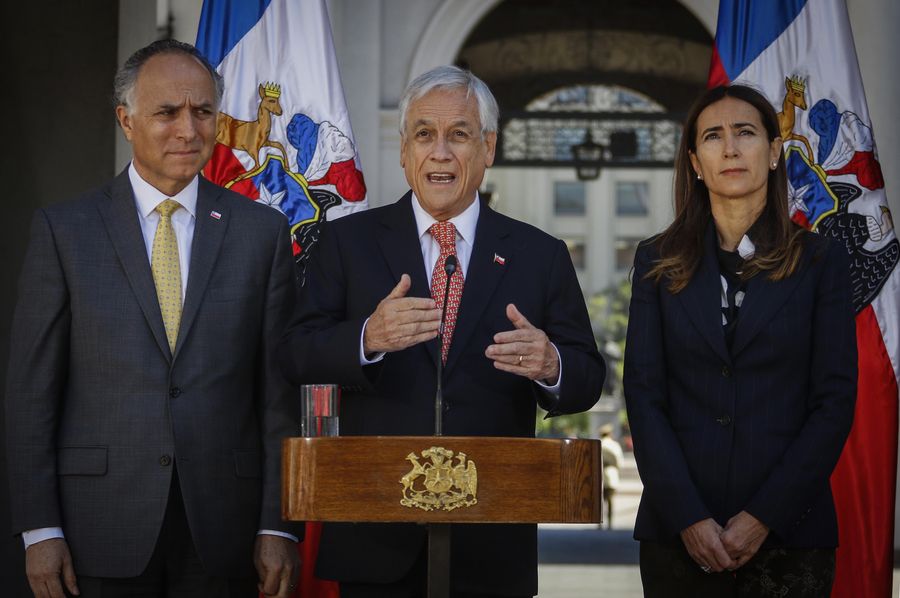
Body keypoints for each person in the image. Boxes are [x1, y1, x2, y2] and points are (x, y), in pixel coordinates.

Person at [278, 65, 605, 598]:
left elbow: (587, 378)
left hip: (491, 538)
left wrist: (552, 366)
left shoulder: (540, 255)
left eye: (459, 134)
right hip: (374, 534)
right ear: (404, 151)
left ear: (488, 148)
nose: (441, 153)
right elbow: (295, 354)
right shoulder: (346, 243)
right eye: (424, 134)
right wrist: (366, 338)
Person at [6, 40, 303, 598]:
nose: (188, 130)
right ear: (127, 120)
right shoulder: (65, 231)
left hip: (226, 528)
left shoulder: (261, 233)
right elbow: (31, 394)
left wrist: (278, 523)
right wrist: (38, 527)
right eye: (167, 112)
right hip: (96, 526)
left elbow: (277, 394)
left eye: (203, 111)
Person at [623, 84, 857, 597]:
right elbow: (643, 396)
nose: (730, 148)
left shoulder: (822, 261)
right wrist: (689, 517)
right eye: (713, 136)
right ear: (695, 162)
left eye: (745, 132)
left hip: (792, 535)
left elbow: (834, 402)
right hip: (677, 535)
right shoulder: (655, 261)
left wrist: (763, 517)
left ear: (773, 152)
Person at [599, 424, 624, 530]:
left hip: (599, 475)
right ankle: (609, 523)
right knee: (610, 501)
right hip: (611, 474)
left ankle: (599, 523)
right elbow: (619, 462)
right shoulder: (614, 445)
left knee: (600, 501)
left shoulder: (599, 443)